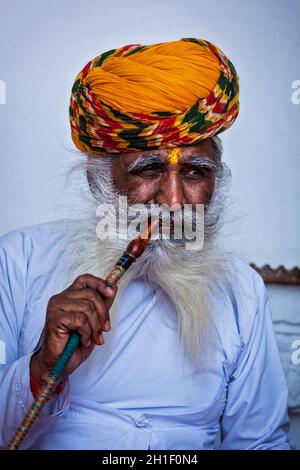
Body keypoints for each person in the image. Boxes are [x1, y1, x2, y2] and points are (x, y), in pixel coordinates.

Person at [0, 38, 293, 450]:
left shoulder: (240, 289)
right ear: (97, 178)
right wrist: (40, 367)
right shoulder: (19, 261)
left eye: (194, 172)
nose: (173, 202)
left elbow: (259, 441)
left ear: (216, 181)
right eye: (149, 169)